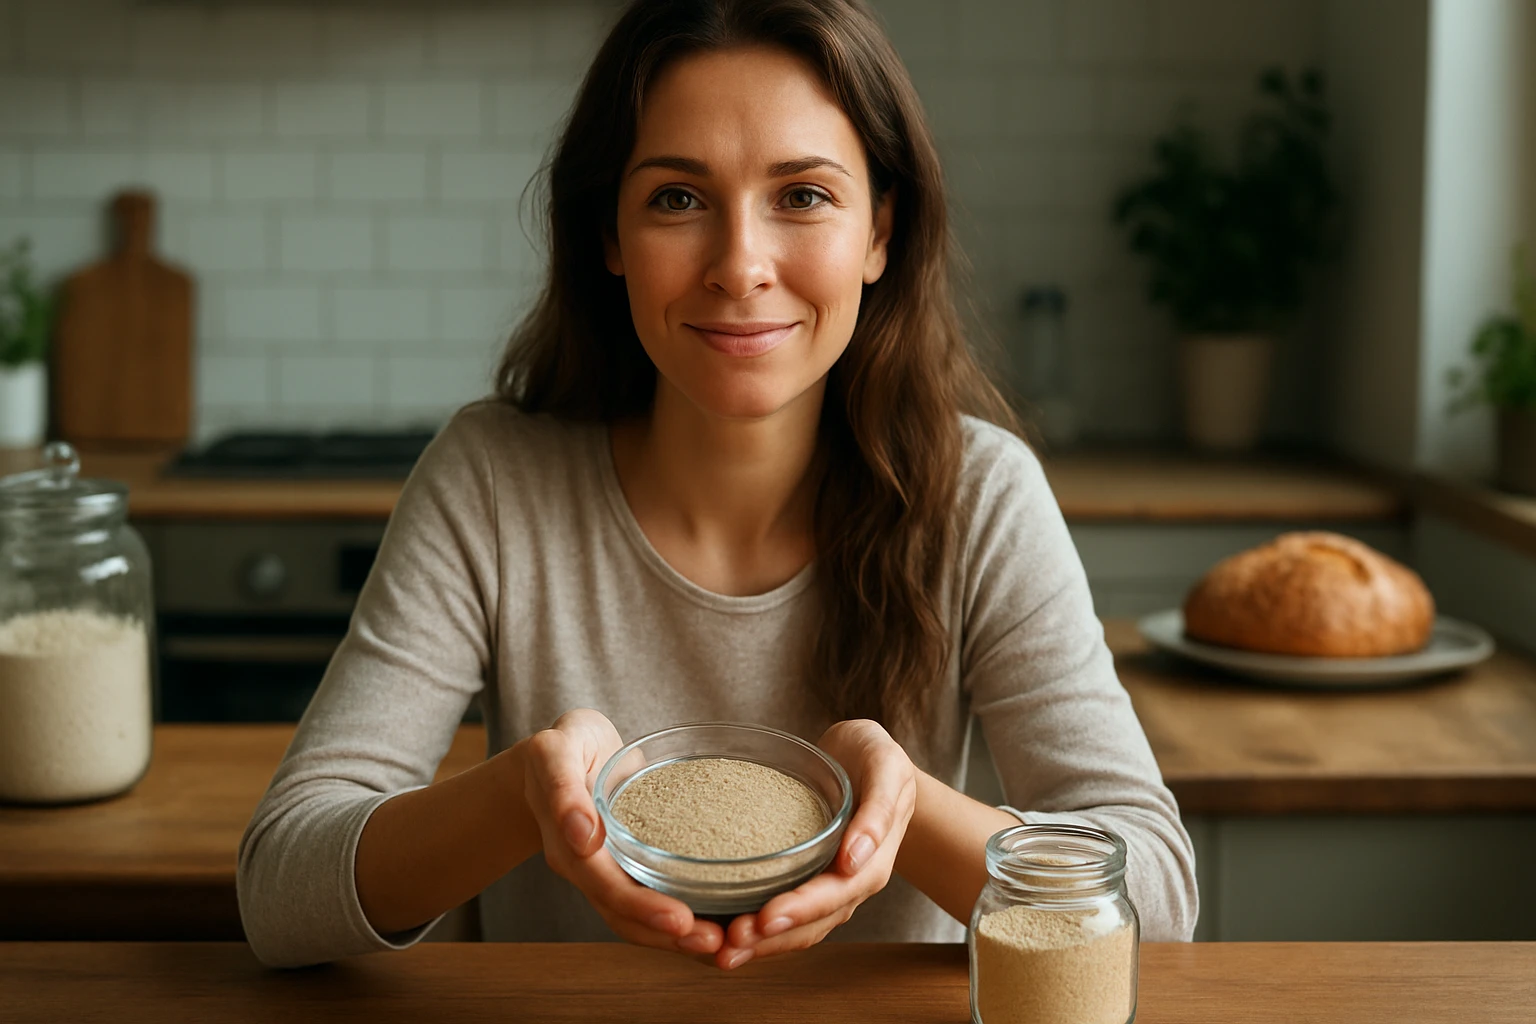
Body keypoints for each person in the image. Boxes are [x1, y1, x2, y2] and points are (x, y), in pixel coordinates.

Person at [237, 0, 1198, 971]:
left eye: (804, 196)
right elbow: (280, 889)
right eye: (678, 199)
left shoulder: (981, 497)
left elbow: (1154, 903)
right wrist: (523, 796)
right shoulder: (493, 481)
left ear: (880, 233)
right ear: (608, 233)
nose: (740, 267)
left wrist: (898, 811)